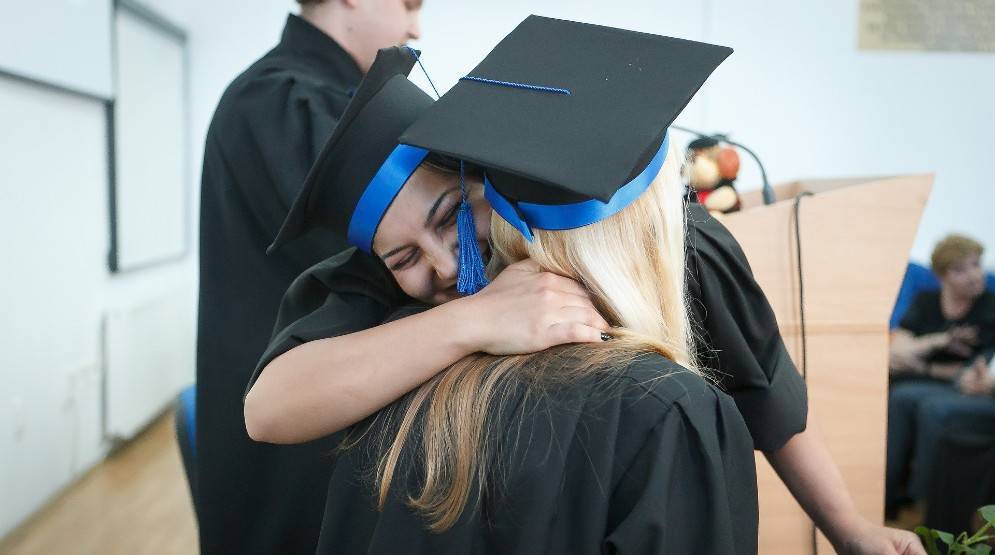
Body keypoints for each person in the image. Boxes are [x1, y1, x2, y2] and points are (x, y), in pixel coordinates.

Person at [245, 17, 925, 555]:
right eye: (403, 257)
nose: (444, 265)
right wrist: (472, 320)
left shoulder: (671, 242)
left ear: (482, 172)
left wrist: (848, 527)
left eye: (450, 216)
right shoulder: (384, 280)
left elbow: (765, 392)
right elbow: (270, 408)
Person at [195, 1, 422, 552]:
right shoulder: (277, 99)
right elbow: (381, 245)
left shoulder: (314, 100)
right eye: (409, 3)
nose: (417, 24)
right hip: (289, 438)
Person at [886, 234, 995, 517]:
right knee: (897, 395)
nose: (973, 275)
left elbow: (971, 372)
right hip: (922, 379)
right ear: (940, 275)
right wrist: (938, 342)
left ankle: (923, 499)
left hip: (959, 386)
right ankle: (886, 492)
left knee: (925, 405)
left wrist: (921, 361)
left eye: (976, 265)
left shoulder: (990, 306)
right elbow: (896, 351)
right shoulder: (926, 300)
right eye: (960, 269)